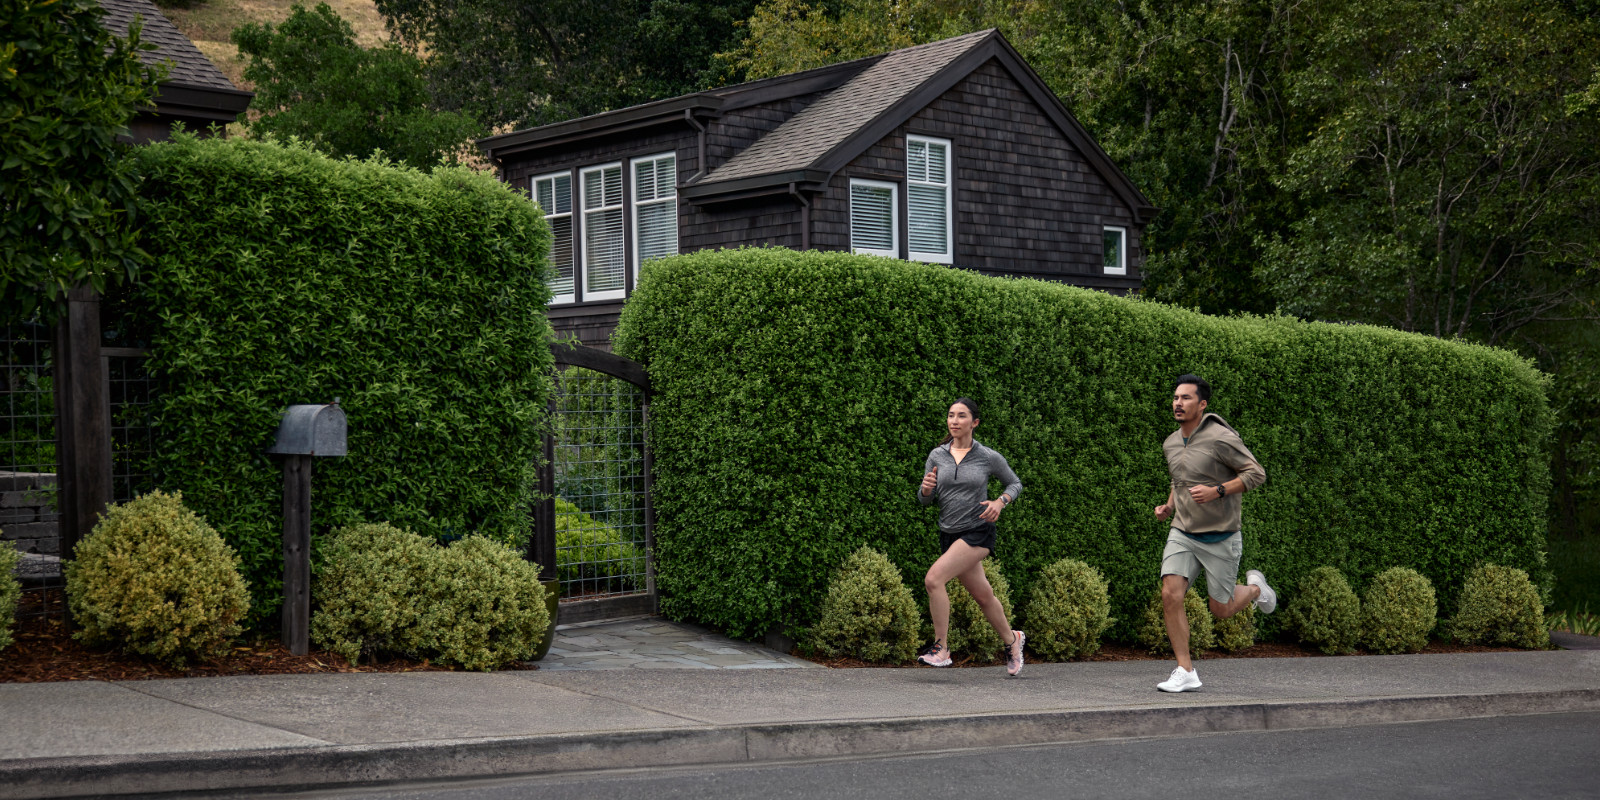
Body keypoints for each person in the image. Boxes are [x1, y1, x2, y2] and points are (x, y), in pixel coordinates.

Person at [1152, 375, 1277, 693]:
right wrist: (1169, 507)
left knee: (1220, 609)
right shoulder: (1170, 442)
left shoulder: (1221, 437)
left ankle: (1253, 589)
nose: (1178, 403)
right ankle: (1185, 669)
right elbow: (1179, 481)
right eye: (1176, 397)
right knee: (1170, 593)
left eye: (1186, 398)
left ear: (1202, 404)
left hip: (1221, 535)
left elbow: (1256, 473)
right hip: (1183, 530)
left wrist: (1218, 490)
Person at [916, 398, 1026, 676]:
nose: (954, 421)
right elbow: (924, 500)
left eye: (961, 416)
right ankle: (1013, 640)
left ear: (974, 422)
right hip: (948, 533)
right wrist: (926, 490)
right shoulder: (937, 455)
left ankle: (941, 648)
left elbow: (1015, 483)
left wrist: (1000, 502)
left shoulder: (988, 456)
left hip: (978, 530)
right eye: (951, 416)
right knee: (983, 595)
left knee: (934, 579)